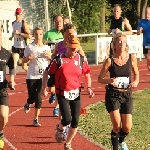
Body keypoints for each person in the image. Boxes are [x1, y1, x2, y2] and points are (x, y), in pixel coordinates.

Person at [43, 35, 94, 150]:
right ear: (66, 46)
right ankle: (60, 128)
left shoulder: (80, 59)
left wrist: (89, 87)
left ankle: (68, 143)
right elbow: (47, 72)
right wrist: (44, 87)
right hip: (62, 93)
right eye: (71, 49)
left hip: (76, 93)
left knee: (75, 121)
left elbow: (87, 74)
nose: (73, 52)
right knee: (67, 119)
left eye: (76, 49)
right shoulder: (58, 60)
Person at [98, 33, 139, 150]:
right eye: (119, 42)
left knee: (127, 127)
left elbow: (136, 74)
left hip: (127, 94)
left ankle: (121, 141)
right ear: (114, 45)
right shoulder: (109, 61)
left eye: (124, 42)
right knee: (116, 125)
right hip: (113, 95)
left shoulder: (132, 58)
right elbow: (99, 79)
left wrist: (135, 81)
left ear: (126, 44)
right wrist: (108, 80)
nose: (121, 44)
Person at [22, 27, 51, 126]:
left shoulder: (47, 48)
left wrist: (49, 57)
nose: (38, 36)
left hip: (43, 76)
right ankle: (28, 103)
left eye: (40, 34)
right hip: (31, 76)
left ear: (43, 35)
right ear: (33, 35)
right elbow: (23, 61)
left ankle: (36, 119)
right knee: (32, 97)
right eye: (36, 34)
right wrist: (28, 58)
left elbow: (52, 61)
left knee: (39, 97)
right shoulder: (29, 47)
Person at [0, 27, 15, 148]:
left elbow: (12, 67)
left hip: (2, 89)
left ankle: (0, 132)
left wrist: (12, 80)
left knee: (4, 117)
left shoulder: (6, 53)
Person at [9, 8, 31, 73]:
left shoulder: (23, 23)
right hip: (16, 46)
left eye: (19, 14)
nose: (17, 16)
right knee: (14, 64)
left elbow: (29, 35)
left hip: (23, 47)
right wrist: (12, 37)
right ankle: (12, 80)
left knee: (24, 66)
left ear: (22, 15)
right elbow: (14, 32)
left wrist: (19, 33)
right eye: (16, 14)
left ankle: (32, 73)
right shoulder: (13, 23)